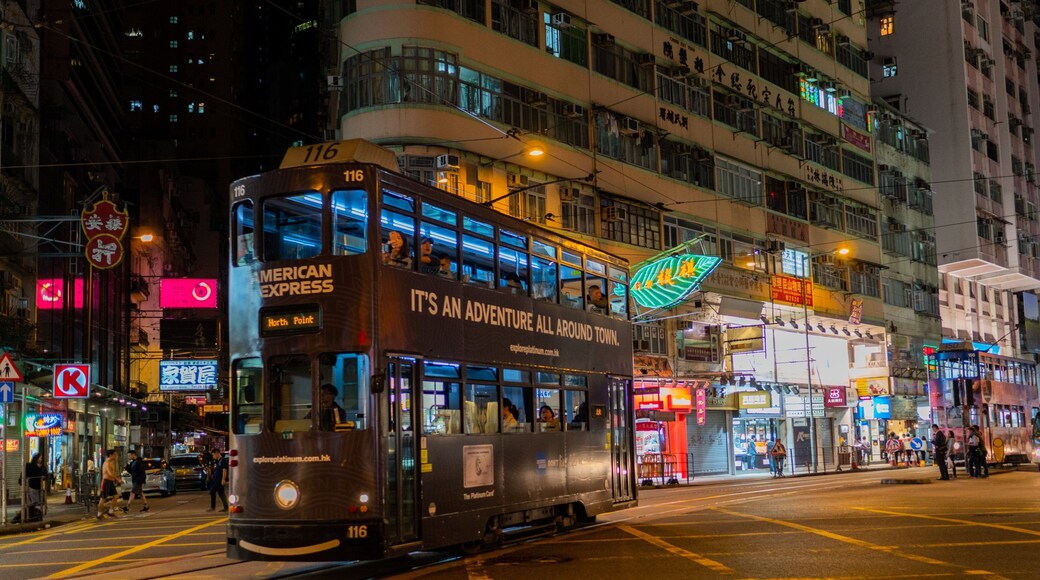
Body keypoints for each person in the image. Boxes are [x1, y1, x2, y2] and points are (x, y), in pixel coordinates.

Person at [98, 449, 121, 520]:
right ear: (111, 455)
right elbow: (109, 473)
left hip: (110, 481)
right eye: (115, 455)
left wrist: (116, 478)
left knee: (116, 496)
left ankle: (110, 511)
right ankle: (99, 514)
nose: (116, 456)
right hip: (106, 482)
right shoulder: (107, 463)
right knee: (103, 498)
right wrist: (117, 479)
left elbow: (112, 473)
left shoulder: (111, 462)